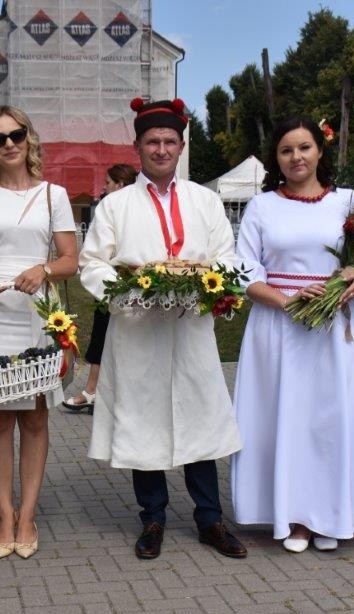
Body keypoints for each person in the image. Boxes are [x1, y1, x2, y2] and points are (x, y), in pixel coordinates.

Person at [79, 98, 247, 561]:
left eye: (170, 141)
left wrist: (208, 284)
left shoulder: (205, 201)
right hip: (138, 330)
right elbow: (92, 264)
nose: (161, 149)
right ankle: (153, 517)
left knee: (201, 419)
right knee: (142, 421)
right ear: (137, 147)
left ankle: (210, 519)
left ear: (181, 146)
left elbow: (226, 256)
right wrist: (131, 290)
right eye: (152, 141)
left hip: (191, 329)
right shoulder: (115, 205)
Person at [230, 116, 354, 553]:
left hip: (333, 328)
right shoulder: (261, 207)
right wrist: (287, 302)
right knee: (286, 420)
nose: (296, 157)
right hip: (278, 327)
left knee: (329, 421)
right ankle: (294, 517)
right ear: (276, 158)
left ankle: (330, 515)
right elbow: (244, 272)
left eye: (304, 147)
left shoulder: (349, 203)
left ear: (320, 151)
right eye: (286, 150)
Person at [0, 105, 78, 559]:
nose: (8, 144)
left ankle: (29, 515)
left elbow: (70, 259)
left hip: (38, 313)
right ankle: (5, 513)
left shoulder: (53, 194)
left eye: (16, 135)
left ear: (28, 138)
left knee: (36, 417)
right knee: (0, 417)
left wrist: (44, 269)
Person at [62, 163, 137, 413]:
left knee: (107, 337)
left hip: (126, 283)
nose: (104, 187)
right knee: (101, 334)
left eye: (108, 182)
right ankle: (94, 390)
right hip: (109, 282)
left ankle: (96, 391)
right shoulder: (109, 208)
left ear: (120, 184)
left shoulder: (129, 209)